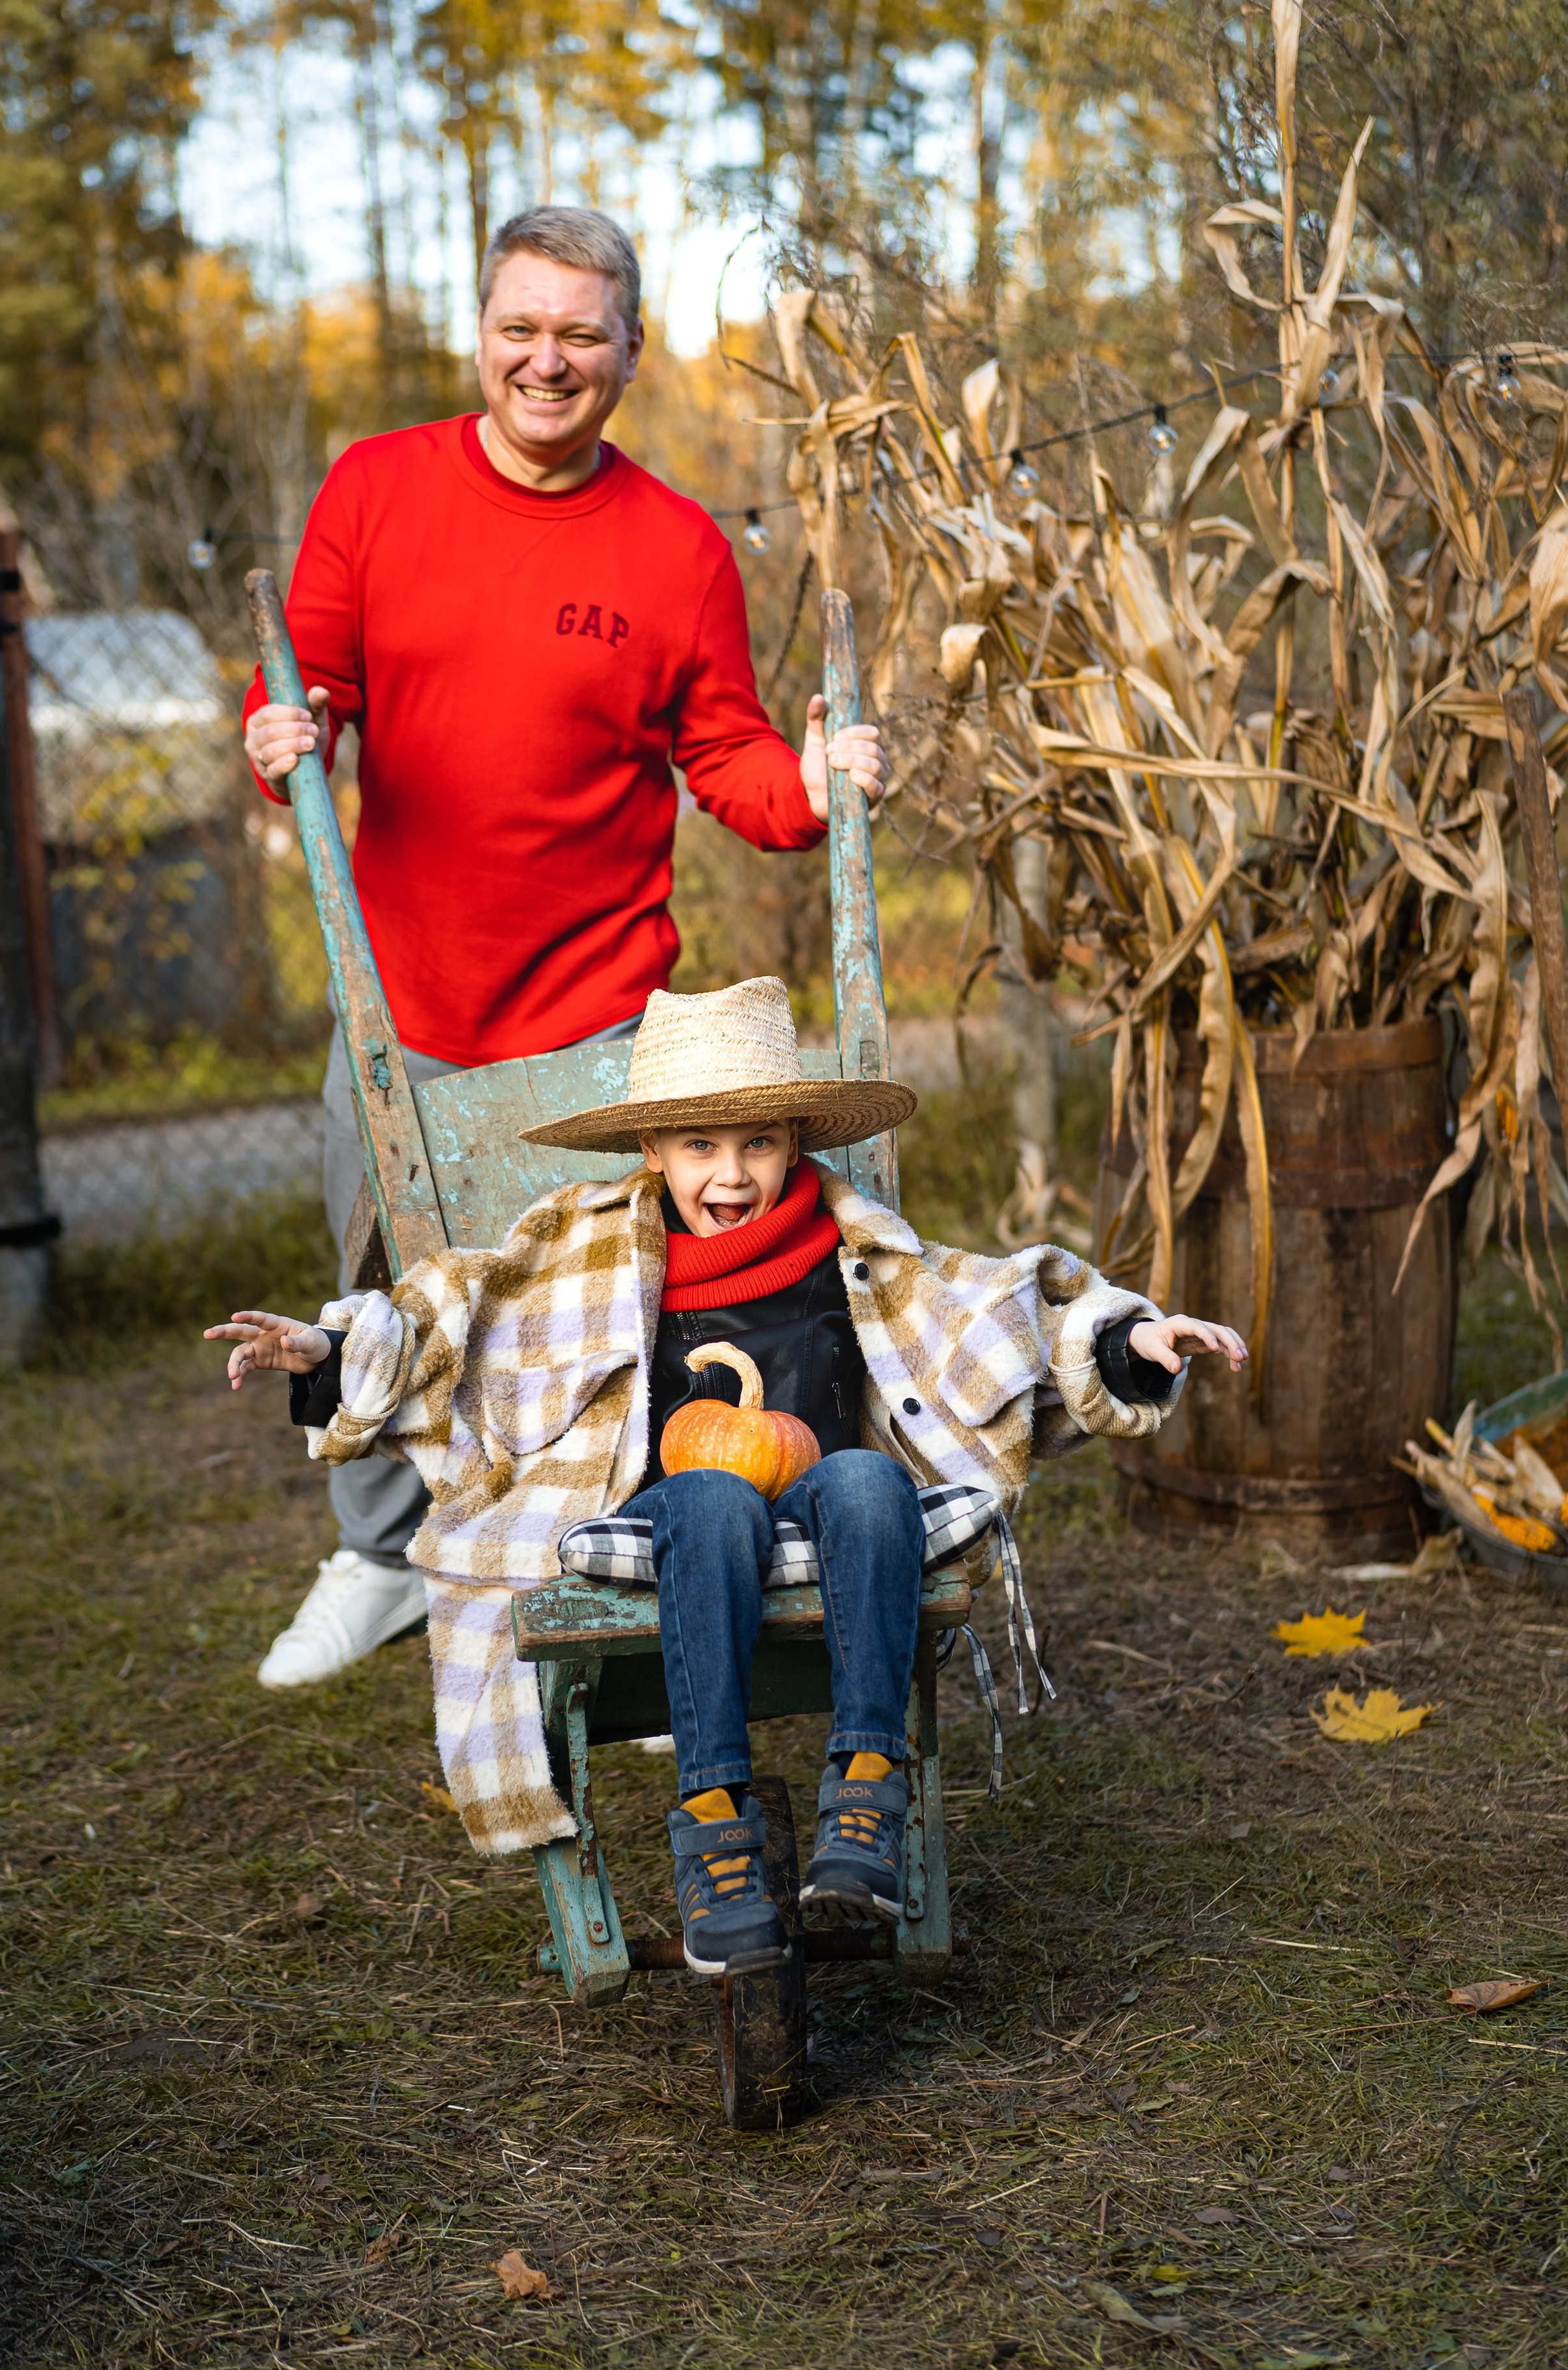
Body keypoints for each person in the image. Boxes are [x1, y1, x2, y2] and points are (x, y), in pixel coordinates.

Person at [205, 978, 1247, 1972]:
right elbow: (459, 1324)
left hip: (821, 1497)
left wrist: (1127, 1343)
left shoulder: (857, 1251)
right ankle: (713, 1820)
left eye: (759, 1142)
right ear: (652, 1149)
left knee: (868, 1483)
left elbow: (1000, 1313)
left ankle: (868, 1786)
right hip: (675, 1508)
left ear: (797, 1142)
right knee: (709, 1494)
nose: (733, 1174)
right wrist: (335, 1357)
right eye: (701, 1145)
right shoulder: (586, 1251)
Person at [241, 206, 888, 1692]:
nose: (547, 360)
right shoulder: (374, 487)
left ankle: (598, 1594)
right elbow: (311, 691)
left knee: (592, 1320)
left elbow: (726, 754)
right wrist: (283, 736)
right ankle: (379, 1556)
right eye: (520, 326)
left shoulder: (671, 548)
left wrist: (815, 786)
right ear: (482, 331)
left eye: (580, 333)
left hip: (596, 1017)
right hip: (395, 1002)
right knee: (384, 1289)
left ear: (628, 352)